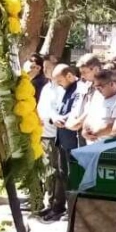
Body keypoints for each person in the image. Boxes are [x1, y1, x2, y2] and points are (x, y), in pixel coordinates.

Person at [37, 64, 78, 222]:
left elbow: (77, 110)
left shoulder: (79, 89)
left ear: (69, 76)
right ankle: (57, 206)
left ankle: (69, 209)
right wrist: (54, 117)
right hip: (60, 136)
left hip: (71, 137)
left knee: (70, 175)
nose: (59, 84)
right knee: (60, 173)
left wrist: (63, 119)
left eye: (60, 81)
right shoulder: (61, 88)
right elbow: (55, 109)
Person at [80, 69, 116, 142]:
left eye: (99, 87)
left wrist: (94, 134)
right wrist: (84, 131)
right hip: (92, 143)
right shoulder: (97, 96)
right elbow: (89, 116)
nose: (97, 90)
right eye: (95, 87)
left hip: (109, 144)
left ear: (111, 84)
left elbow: (114, 125)